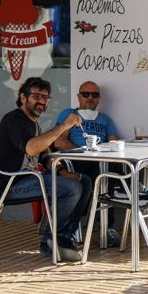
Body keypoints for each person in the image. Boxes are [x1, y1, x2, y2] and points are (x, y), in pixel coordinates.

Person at [0, 77, 93, 261]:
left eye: (46, 97)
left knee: (82, 180)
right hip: (11, 184)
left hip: (29, 179)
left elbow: (45, 156)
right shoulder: (15, 119)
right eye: (36, 96)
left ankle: (64, 236)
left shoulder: (34, 125)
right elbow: (31, 148)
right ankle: (50, 240)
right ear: (23, 98)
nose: (42, 101)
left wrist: (63, 172)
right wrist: (64, 126)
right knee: (72, 189)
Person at [54, 80, 122, 246]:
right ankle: (126, 190)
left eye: (94, 95)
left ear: (99, 99)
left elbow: (114, 141)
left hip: (99, 160)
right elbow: (58, 141)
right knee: (106, 178)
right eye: (86, 94)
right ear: (78, 96)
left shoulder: (105, 119)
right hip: (75, 161)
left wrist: (103, 151)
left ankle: (107, 226)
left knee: (111, 171)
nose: (90, 98)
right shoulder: (69, 115)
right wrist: (82, 151)